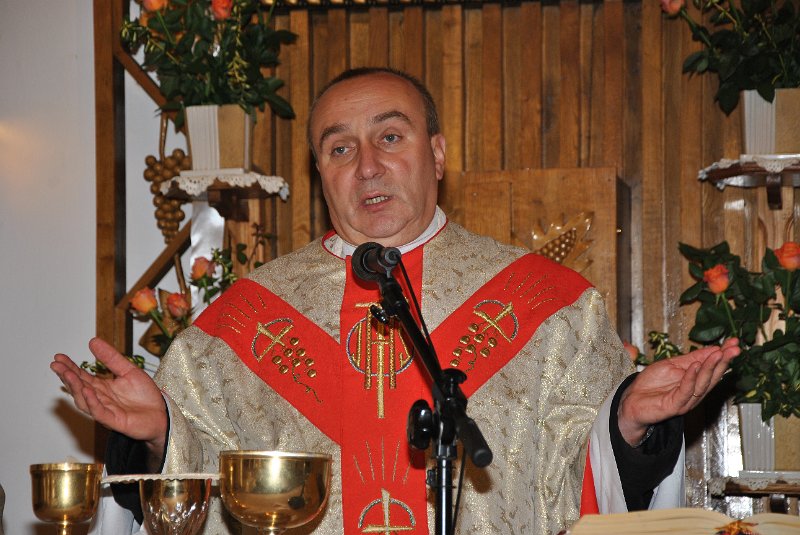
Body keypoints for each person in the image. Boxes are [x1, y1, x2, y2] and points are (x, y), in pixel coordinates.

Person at [52, 67, 739, 535]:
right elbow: (195, 484)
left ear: (436, 154)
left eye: (389, 136)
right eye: (339, 148)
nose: (367, 166)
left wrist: (626, 422)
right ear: (320, 173)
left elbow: (585, 481)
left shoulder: (549, 305)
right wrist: (158, 434)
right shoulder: (238, 323)